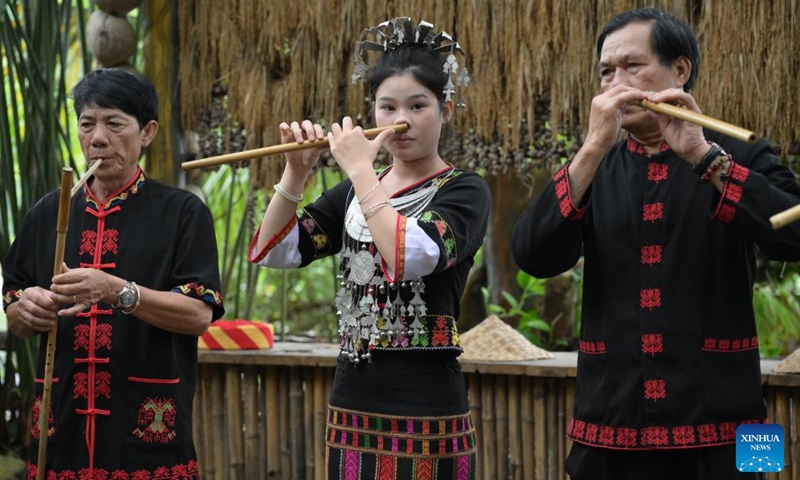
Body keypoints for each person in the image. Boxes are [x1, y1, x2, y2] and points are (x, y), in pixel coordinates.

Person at [511, 7, 800, 480]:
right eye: (606, 72)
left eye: (631, 66)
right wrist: (589, 149)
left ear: (680, 70)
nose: (615, 83)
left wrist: (704, 157)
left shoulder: (741, 153)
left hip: (737, 419)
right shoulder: (592, 166)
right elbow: (532, 256)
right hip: (607, 418)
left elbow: (793, 235)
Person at [249, 17, 489, 480]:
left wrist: (360, 169)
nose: (400, 121)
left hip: (427, 402)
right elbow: (273, 252)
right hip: (353, 399)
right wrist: (295, 172)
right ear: (372, 112)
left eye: (418, 105)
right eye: (387, 106)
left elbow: (408, 257)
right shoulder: (355, 190)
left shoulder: (465, 191)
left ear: (447, 110)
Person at [2, 69, 225, 478]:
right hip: (60, 429)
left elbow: (198, 315)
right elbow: (15, 312)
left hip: (147, 434)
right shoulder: (47, 213)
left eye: (114, 124)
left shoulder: (182, 213)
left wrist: (116, 290)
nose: (97, 138)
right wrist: (28, 311)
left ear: (147, 132)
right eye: (87, 125)